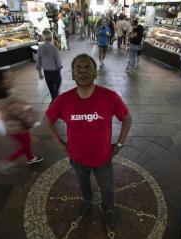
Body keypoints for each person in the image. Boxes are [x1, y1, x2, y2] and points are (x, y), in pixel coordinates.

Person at [44, 54, 132, 228]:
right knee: (83, 183)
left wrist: (119, 143)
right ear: (72, 74)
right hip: (77, 157)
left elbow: (127, 118)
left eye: (87, 67)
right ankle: (86, 200)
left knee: (107, 188)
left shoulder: (109, 96)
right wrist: (60, 143)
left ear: (95, 73)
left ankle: (108, 209)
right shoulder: (63, 100)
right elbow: (48, 120)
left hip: (103, 157)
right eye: (78, 68)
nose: (82, 71)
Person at [0, 70, 43, 174]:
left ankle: (31, 158)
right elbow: (20, 113)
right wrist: (31, 120)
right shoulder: (9, 98)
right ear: (2, 84)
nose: (10, 80)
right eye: (7, 79)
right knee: (26, 144)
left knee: (25, 142)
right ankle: (7, 161)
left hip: (10, 127)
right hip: (19, 126)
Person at [37, 30, 63, 103]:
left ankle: (54, 100)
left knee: (51, 89)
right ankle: (54, 102)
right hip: (55, 71)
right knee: (57, 87)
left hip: (46, 72)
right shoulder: (54, 48)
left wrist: (40, 73)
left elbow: (38, 61)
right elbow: (58, 61)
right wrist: (60, 67)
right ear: (51, 37)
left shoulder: (40, 48)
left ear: (43, 38)